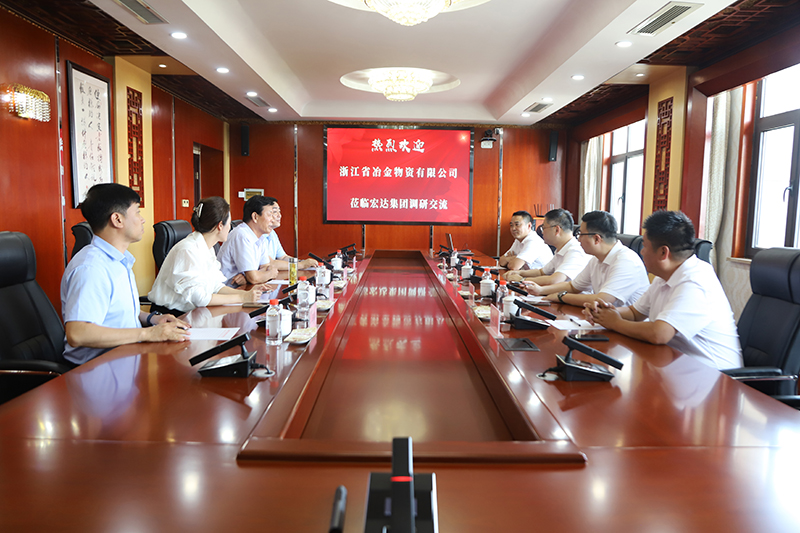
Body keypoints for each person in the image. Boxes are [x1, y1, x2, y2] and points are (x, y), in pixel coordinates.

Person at [584, 210, 742, 370]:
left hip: (715, 376)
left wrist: (615, 322)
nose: (641, 251)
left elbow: (659, 334)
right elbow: (635, 313)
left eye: (645, 246)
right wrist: (603, 312)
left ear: (663, 252)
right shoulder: (665, 275)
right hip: (676, 364)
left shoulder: (695, 281)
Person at [60, 183, 189, 365]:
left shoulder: (119, 260)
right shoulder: (91, 268)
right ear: (117, 219)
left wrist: (153, 319)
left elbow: (118, 313)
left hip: (123, 359)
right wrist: (147, 333)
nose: (142, 219)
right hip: (95, 369)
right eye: (137, 212)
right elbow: (78, 333)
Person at [148, 197, 268, 313]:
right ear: (220, 226)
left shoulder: (207, 247)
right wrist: (242, 298)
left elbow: (216, 286)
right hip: (173, 316)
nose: (230, 228)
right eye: (229, 223)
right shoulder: (187, 250)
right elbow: (200, 299)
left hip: (195, 312)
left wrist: (247, 294)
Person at [525, 210, 649, 307]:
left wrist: (561, 296)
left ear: (596, 238)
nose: (578, 239)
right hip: (604, 321)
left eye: (580, 234)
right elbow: (573, 287)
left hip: (629, 327)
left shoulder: (626, 260)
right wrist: (541, 290)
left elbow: (603, 299)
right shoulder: (596, 259)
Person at [503, 208, 589, 285]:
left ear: (556, 230)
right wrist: (519, 273)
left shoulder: (575, 251)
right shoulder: (561, 249)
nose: (542, 232)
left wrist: (522, 279)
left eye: (543, 228)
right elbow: (541, 272)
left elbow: (554, 280)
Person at [216, 196, 282, 286]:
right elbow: (254, 278)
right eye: (270, 215)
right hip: (229, 290)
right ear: (255, 217)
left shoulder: (261, 237)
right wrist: (271, 273)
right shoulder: (242, 235)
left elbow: (265, 266)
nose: (273, 220)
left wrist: (251, 277)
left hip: (245, 288)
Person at [266, 199, 319, 271]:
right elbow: (270, 263)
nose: (279, 215)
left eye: (279, 211)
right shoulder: (258, 235)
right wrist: (301, 265)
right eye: (275, 212)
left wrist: (301, 262)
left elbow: (283, 257)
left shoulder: (272, 233)